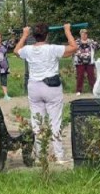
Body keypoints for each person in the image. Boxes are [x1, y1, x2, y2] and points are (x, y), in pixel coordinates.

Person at [15, 22, 77, 162]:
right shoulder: (52, 49)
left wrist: (24, 35)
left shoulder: (28, 49)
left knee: (37, 122)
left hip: (34, 87)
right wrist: (67, 31)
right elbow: (74, 47)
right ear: (47, 35)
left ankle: (39, 156)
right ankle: (59, 156)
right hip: (51, 87)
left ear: (34, 36)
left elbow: (16, 50)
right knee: (55, 122)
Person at [74, 28, 100, 95]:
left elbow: (98, 46)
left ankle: (94, 90)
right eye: (82, 34)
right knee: (80, 76)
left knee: (91, 76)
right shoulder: (76, 42)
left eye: (85, 34)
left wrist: (95, 44)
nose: (84, 35)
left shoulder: (91, 41)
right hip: (80, 62)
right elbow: (72, 49)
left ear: (87, 34)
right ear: (80, 34)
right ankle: (79, 91)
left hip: (90, 62)